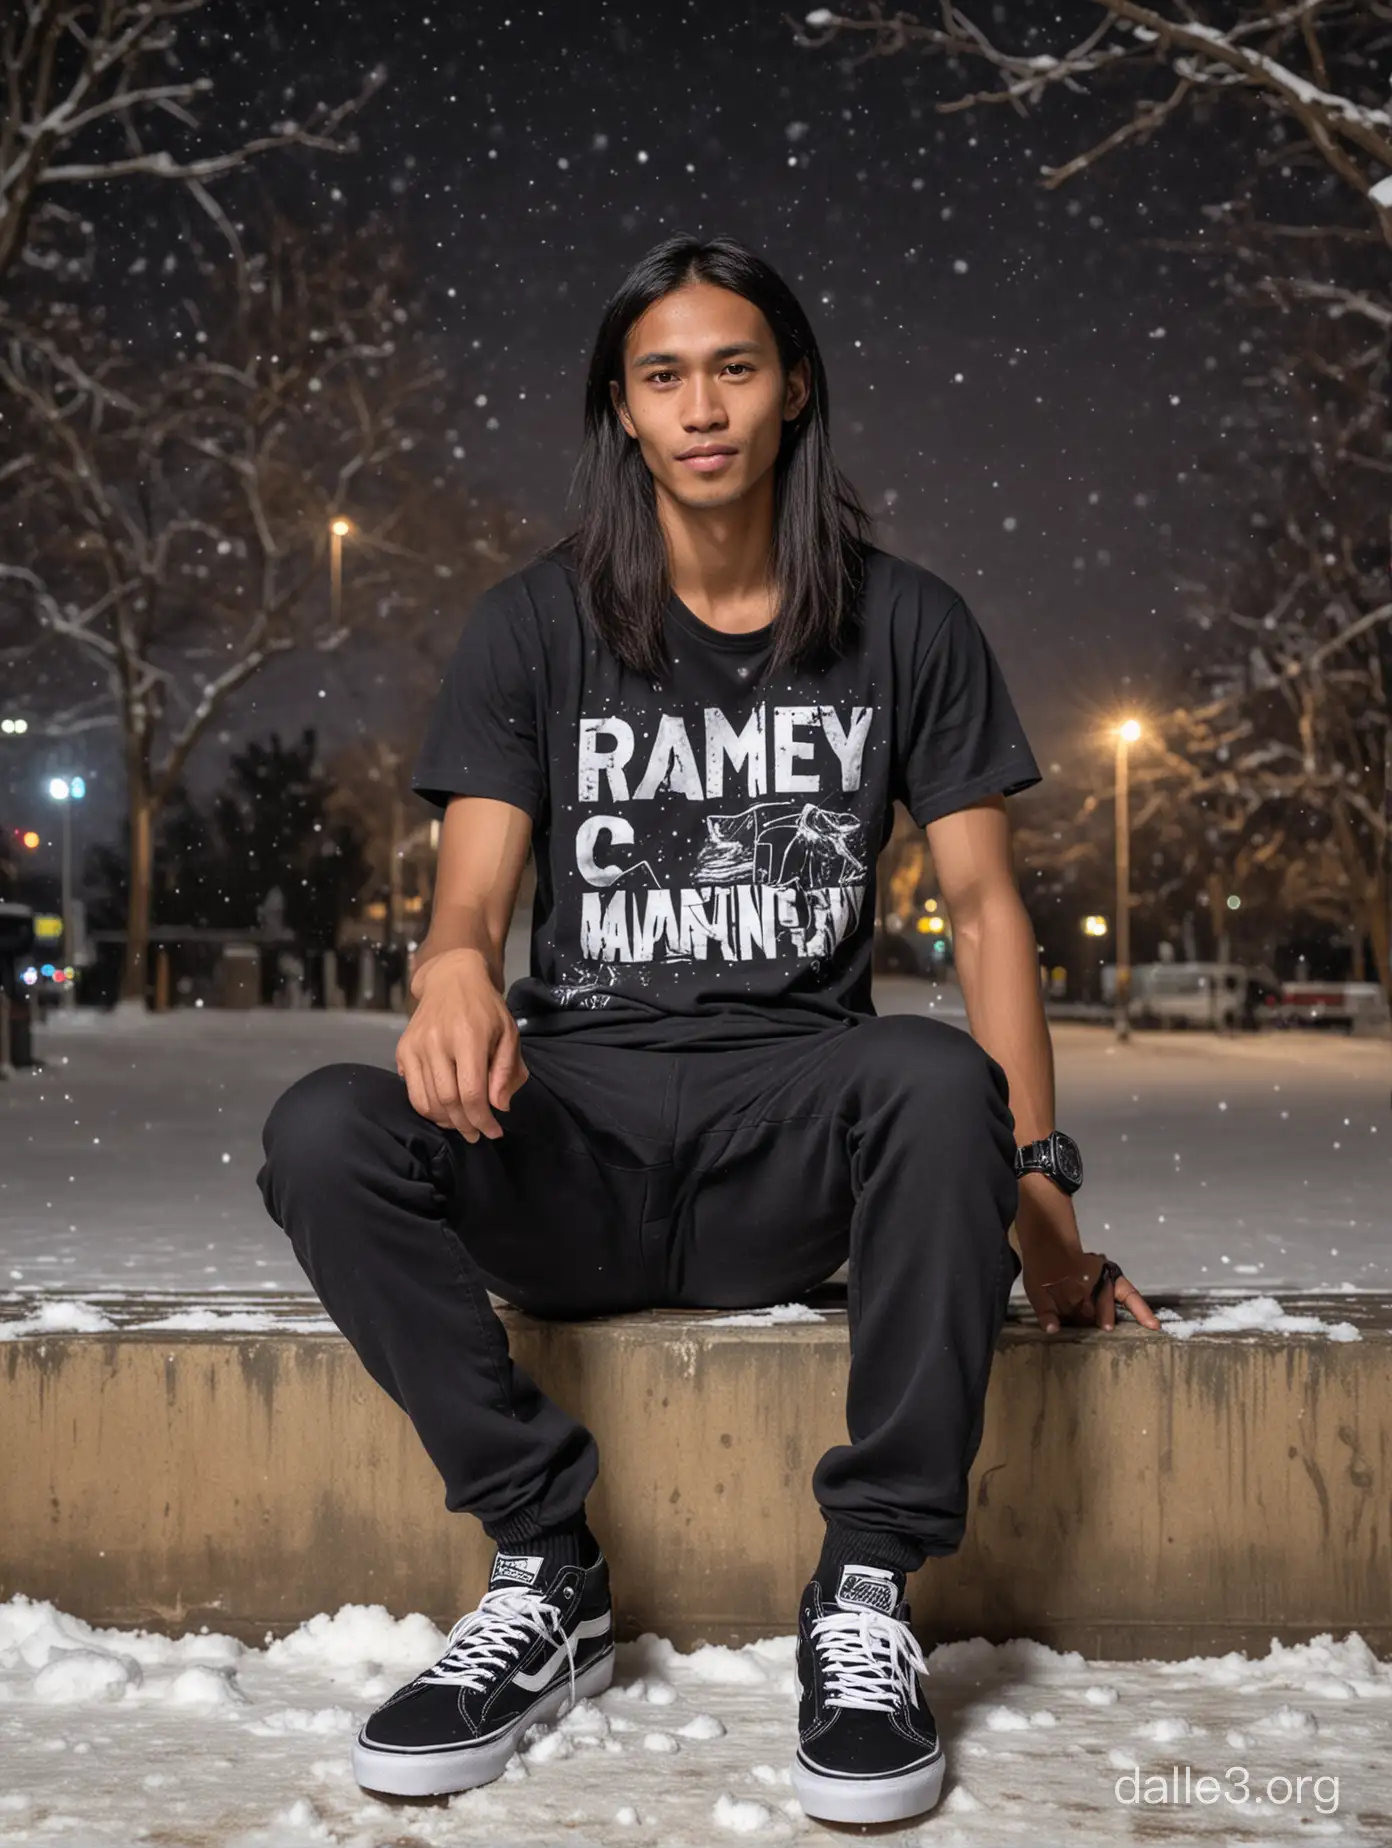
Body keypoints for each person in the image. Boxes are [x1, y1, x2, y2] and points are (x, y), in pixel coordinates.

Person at [255, 232, 1160, 1828]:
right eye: (662, 375)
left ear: (793, 387)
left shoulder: (909, 626)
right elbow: (469, 904)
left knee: (936, 1076)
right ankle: (547, 1565)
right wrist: (452, 968)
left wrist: (1046, 1213)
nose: (702, 407)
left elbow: (991, 915)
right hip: (575, 1139)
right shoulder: (533, 627)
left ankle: (866, 1591)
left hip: (790, 1152)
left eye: (734, 366)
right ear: (622, 407)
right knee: (323, 1130)